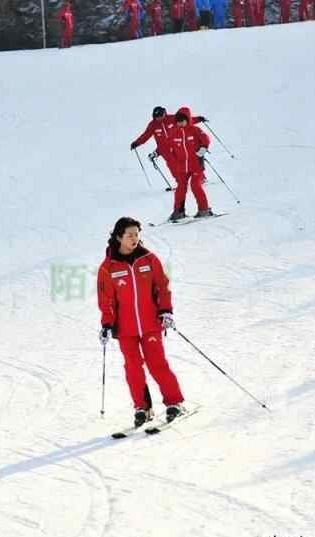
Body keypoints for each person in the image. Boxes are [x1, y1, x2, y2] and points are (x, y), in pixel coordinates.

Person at [97, 217, 186, 426]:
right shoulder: (108, 267)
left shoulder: (148, 259)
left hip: (150, 325)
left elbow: (162, 287)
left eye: (137, 234)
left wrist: (166, 311)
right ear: (119, 237)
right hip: (125, 329)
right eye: (129, 235)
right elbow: (106, 300)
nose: (134, 238)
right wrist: (107, 324)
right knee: (133, 368)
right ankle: (142, 408)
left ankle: (175, 402)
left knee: (157, 364)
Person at [130, 105, 207, 191]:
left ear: (164, 113)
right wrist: (136, 143)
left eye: (160, 116)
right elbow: (145, 135)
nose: (159, 118)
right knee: (173, 167)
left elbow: (187, 120)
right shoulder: (153, 125)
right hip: (165, 150)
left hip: (177, 145)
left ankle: (201, 178)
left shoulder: (172, 118)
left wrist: (199, 119)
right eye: (156, 117)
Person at [168, 107, 212, 221]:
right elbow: (170, 147)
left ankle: (204, 210)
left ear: (187, 119)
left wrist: (203, 148)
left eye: (182, 120)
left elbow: (206, 139)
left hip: (196, 165)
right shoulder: (174, 132)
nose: (180, 123)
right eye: (178, 121)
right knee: (180, 188)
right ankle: (178, 212)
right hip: (182, 167)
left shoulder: (195, 130)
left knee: (195, 185)